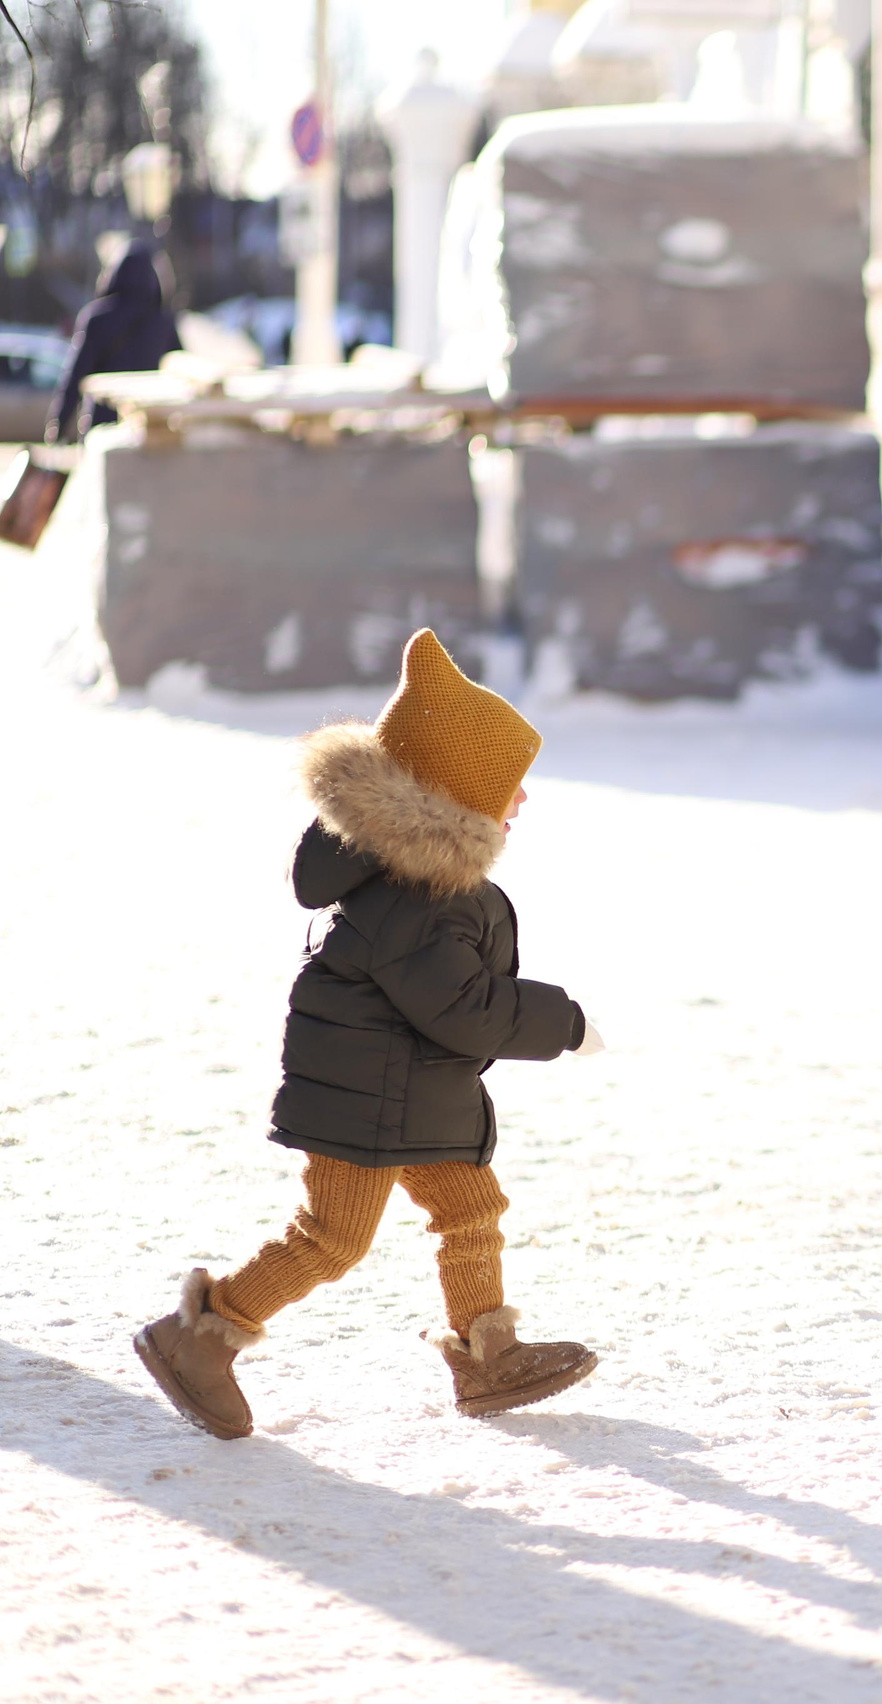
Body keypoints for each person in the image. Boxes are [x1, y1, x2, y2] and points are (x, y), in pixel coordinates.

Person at [133, 630, 606, 1439]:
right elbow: (461, 1006)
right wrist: (562, 1021)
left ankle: (486, 1353)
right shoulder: (421, 900)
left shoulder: (408, 878)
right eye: (511, 784)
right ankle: (199, 1335)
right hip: (368, 1105)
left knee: (470, 1210)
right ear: (456, 794)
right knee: (331, 1239)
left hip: (411, 1093)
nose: (522, 801)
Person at [47, 241, 183, 444]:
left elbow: (75, 375)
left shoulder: (97, 317)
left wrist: (58, 425)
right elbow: (178, 369)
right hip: (147, 427)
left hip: (102, 426)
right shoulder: (163, 322)